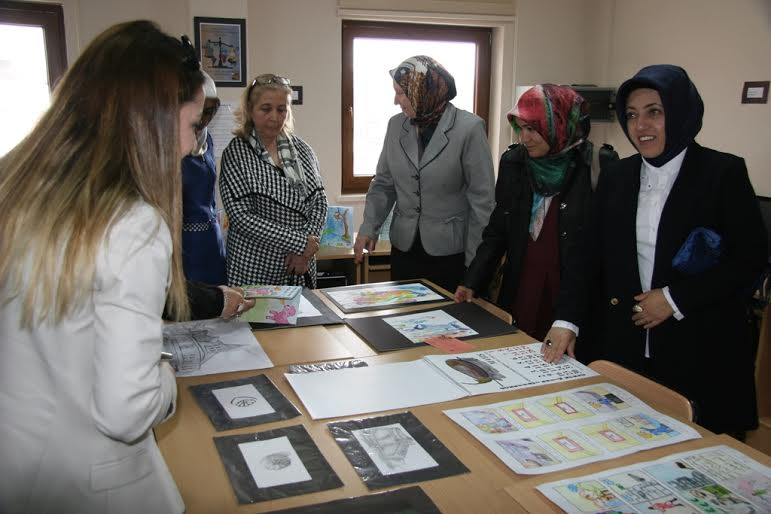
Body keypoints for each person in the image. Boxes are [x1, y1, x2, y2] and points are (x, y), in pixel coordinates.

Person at [0, 21, 204, 513]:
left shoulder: (16, 191)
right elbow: (126, 410)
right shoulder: (133, 225)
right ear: (152, 122)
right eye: (192, 126)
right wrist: (165, 375)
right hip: (93, 483)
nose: (193, 146)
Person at [544, 64, 767, 436]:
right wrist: (566, 321)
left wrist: (674, 299)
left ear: (681, 113)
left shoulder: (723, 173)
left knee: (697, 454)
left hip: (700, 347)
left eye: (654, 112)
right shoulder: (617, 176)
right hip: (623, 344)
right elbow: (586, 256)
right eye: (632, 115)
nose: (641, 126)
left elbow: (750, 260)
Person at [456, 84, 592, 342]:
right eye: (521, 129)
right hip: (522, 285)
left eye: (532, 129)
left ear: (558, 126)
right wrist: (472, 280)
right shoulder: (514, 163)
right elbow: (497, 232)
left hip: (568, 296)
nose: (524, 138)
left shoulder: (592, 169)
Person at [354, 55, 495, 292]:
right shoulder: (396, 126)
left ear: (423, 90)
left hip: (451, 253)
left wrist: (474, 268)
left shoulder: (469, 128)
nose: (396, 101)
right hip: (405, 249)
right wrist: (369, 226)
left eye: (401, 93)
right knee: (404, 313)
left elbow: (483, 203)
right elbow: (384, 184)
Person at [220, 73, 327, 288]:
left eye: (281, 109)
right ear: (250, 110)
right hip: (254, 267)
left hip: (300, 266)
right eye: (266, 109)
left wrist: (306, 250)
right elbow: (242, 217)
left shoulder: (302, 150)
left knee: (305, 311)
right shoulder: (236, 153)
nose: (274, 117)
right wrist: (300, 242)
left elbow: (320, 201)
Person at [181, 70, 227, 285]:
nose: (204, 118)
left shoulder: (207, 141)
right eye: (200, 111)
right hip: (184, 245)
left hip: (211, 242)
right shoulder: (174, 145)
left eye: (209, 111)